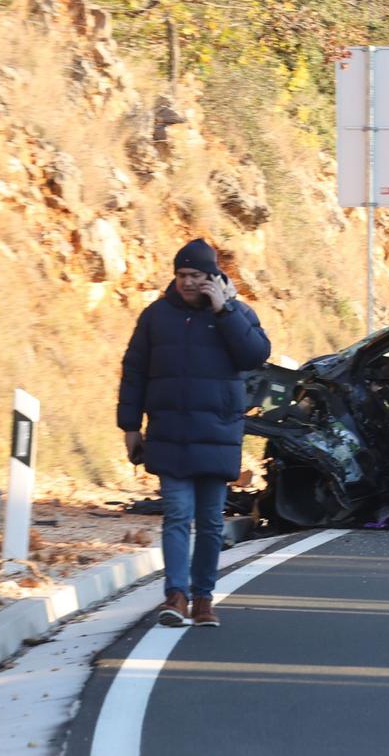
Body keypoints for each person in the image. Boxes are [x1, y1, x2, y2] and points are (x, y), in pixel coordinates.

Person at [117, 239, 271, 627]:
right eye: (181, 275)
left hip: (217, 436)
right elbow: (134, 371)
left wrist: (225, 310)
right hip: (170, 435)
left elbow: (255, 355)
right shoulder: (156, 316)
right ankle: (177, 595)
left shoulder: (236, 313)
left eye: (196, 276)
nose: (187, 282)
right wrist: (130, 426)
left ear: (213, 277)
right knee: (176, 516)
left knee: (210, 522)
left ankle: (204, 598)